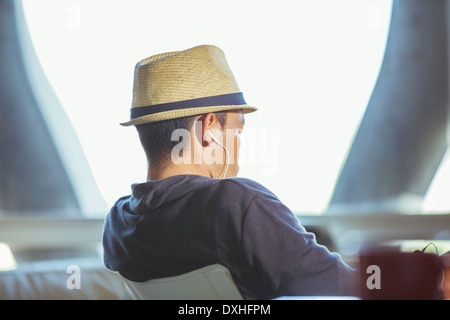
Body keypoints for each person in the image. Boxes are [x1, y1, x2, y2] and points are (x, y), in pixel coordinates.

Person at [102, 44, 357, 299]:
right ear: (208, 128)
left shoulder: (117, 226)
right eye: (237, 130)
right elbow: (350, 289)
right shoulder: (239, 204)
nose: (239, 146)